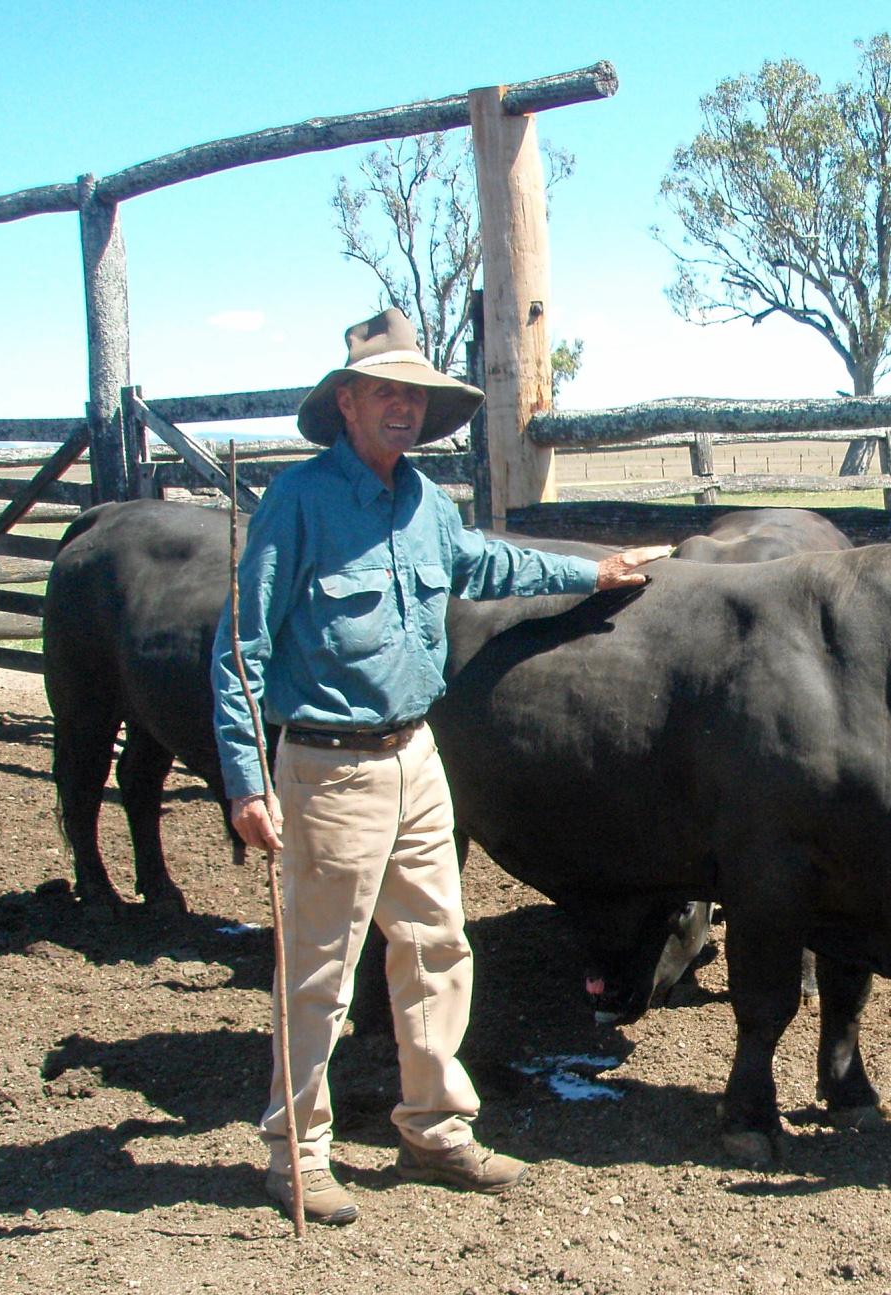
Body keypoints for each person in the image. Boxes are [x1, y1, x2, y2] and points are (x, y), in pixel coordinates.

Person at [212, 307, 670, 1226]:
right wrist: (245, 778)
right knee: (320, 970)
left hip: (417, 753)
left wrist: (592, 573)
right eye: (386, 391)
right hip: (329, 763)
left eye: (415, 396)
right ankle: (295, 1149)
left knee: (436, 945)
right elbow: (239, 647)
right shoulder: (297, 503)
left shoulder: (427, 504)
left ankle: (434, 1125)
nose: (403, 409)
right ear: (345, 401)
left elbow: (487, 565)